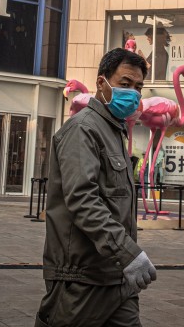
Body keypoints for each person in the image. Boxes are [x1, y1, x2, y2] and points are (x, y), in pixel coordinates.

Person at [36, 47, 157, 327]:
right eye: (125, 84)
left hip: (117, 277)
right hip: (82, 278)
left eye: (138, 87)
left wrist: (125, 259)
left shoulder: (114, 131)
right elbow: (82, 199)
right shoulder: (83, 129)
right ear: (102, 83)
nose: (133, 93)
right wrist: (128, 253)